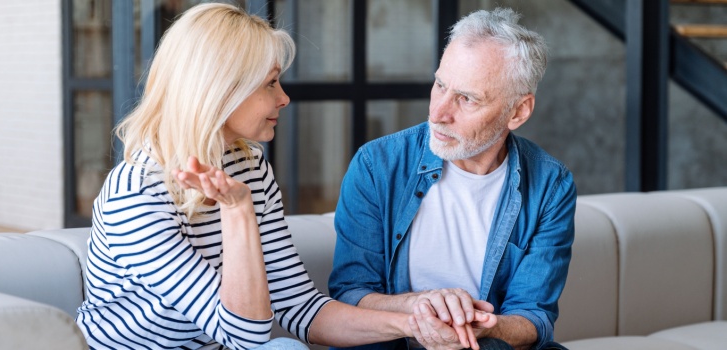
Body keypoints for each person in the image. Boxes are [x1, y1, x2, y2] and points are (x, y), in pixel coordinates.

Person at [75, 3, 423, 350]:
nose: (284, 98)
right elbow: (243, 335)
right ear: (220, 89)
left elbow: (299, 307)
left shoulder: (249, 165)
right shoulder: (136, 194)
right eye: (270, 83)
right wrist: (238, 210)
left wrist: (415, 324)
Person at [328, 8, 576, 350]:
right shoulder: (377, 164)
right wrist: (420, 306)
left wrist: (484, 328)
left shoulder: (551, 185)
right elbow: (350, 293)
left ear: (518, 111)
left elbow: (534, 318)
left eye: (467, 98)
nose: (438, 113)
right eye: (440, 85)